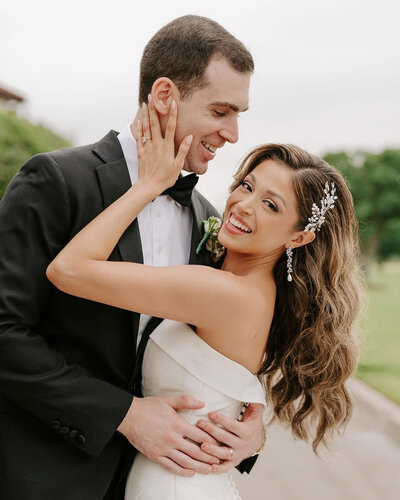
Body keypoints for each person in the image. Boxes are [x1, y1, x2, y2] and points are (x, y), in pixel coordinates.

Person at [0, 15, 265, 500]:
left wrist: (252, 427)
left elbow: (223, 348)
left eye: (239, 114)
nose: (233, 133)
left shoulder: (209, 218)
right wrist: (124, 414)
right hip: (45, 477)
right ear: (165, 96)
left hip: (158, 482)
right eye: (222, 110)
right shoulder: (57, 181)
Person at [46, 98, 363, 499]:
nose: (243, 205)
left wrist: (147, 186)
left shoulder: (223, 293)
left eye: (270, 205)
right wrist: (255, 431)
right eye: (247, 186)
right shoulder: (253, 287)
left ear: (299, 237)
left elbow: (67, 270)